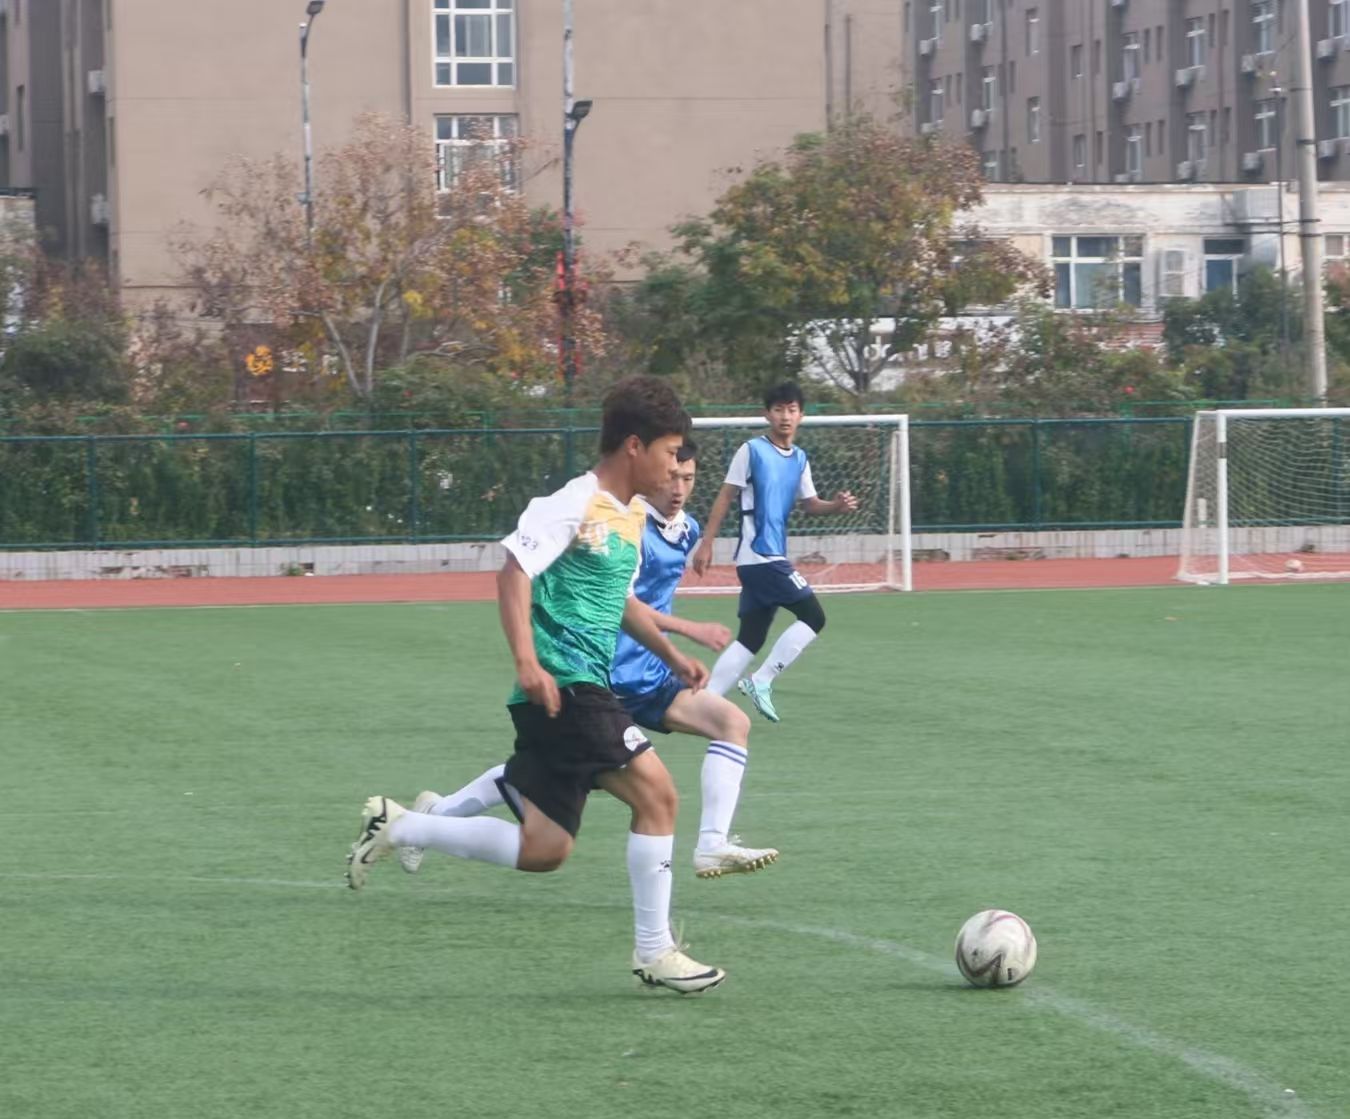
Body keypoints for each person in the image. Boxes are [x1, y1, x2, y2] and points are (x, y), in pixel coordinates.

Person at [345, 375, 726, 994]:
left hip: (571, 692)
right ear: (634, 446)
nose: (673, 467)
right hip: (567, 687)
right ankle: (655, 951)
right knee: (659, 796)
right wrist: (528, 661)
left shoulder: (630, 515)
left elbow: (618, 601)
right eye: (668, 452)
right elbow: (514, 572)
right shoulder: (574, 501)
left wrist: (671, 654)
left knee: (545, 849)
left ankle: (402, 826)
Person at [401, 440, 779, 882]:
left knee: (731, 723)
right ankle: (430, 818)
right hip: (601, 677)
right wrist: (684, 629)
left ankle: (712, 844)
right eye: (671, 473)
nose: (677, 486)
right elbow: (617, 601)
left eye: (688, 478)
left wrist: (673, 652)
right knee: (574, 781)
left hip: (651, 676)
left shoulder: (685, 529)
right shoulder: (614, 517)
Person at [691, 381, 859, 723]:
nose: (785, 416)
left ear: (801, 415)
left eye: (792, 409)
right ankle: (761, 680)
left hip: (764, 559)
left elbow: (810, 504)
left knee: (750, 638)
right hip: (760, 557)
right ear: (767, 414)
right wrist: (706, 542)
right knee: (814, 616)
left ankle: (702, 703)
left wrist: (836, 506)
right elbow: (726, 495)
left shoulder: (800, 459)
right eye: (779, 409)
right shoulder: (751, 451)